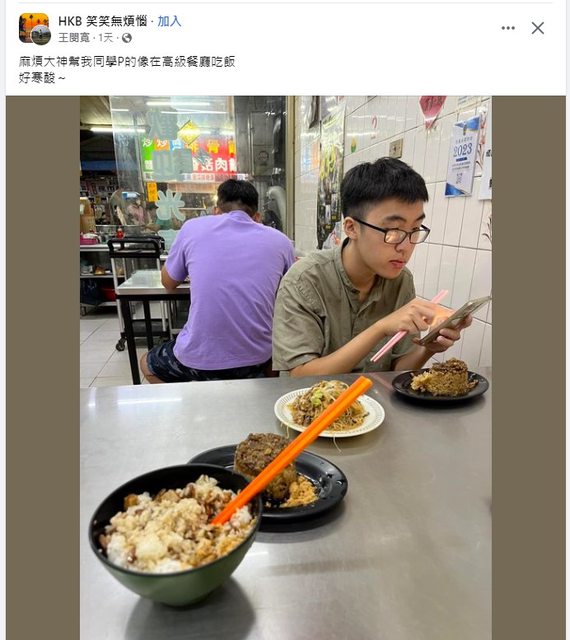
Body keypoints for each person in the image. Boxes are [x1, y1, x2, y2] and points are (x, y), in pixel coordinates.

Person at [271, 157, 472, 376]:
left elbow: (398, 370)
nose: (405, 247)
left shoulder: (401, 280)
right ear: (351, 228)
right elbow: (300, 376)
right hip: (313, 399)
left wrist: (429, 348)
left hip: (374, 398)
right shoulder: (304, 280)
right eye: (393, 231)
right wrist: (380, 328)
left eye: (415, 230)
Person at [140, 179, 295, 383]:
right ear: (257, 217)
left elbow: (168, 282)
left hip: (198, 361)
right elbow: (290, 288)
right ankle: (264, 391)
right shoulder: (281, 241)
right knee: (271, 347)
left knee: (146, 363)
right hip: (258, 358)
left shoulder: (192, 228)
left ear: (216, 211)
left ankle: (192, 397)